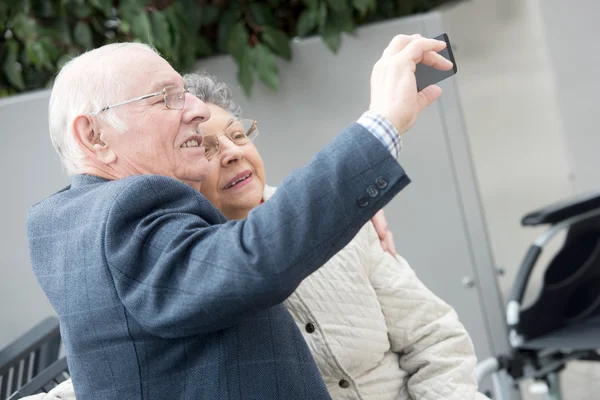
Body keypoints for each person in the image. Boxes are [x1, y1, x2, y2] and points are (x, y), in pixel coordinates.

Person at [26, 35, 453, 399]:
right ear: (94, 135)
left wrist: (351, 210)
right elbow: (249, 261)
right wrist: (382, 125)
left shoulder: (79, 223)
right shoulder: (126, 209)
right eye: (167, 98)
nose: (194, 109)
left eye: (234, 134)